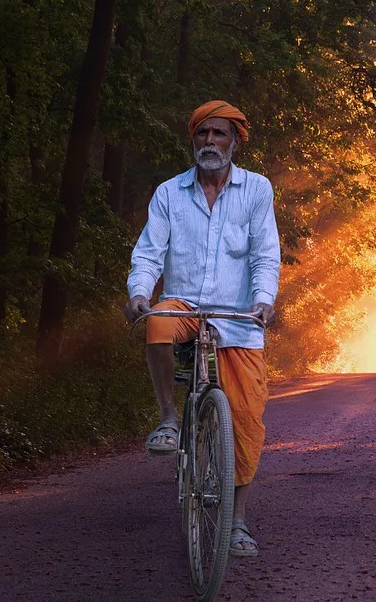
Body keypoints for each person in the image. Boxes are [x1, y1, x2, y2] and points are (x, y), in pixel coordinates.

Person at [122, 99, 280, 558]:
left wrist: (263, 302)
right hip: (186, 303)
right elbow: (149, 252)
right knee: (158, 321)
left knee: (247, 421)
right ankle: (169, 420)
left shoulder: (257, 190)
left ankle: (236, 523)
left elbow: (265, 254)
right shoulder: (170, 192)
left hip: (237, 317)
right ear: (193, 140)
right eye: (202, 134)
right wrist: (138, 293)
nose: (209, 142)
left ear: (235, 141)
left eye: (219, 134)